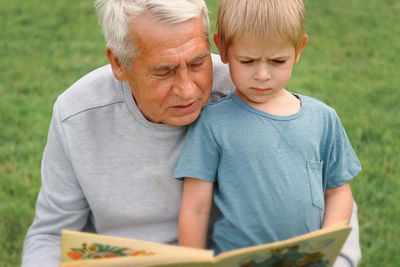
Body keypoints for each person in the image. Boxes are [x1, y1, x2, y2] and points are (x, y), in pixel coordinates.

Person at [21, 0, 360, 267]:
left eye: (198, 63)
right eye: (164, 71)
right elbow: (51, 234)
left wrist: (334, 261)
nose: (187, 91)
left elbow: (322, 190)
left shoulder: (245, 88)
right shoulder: (77, 116)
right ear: (119, 63)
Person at [175, 0, 361, 265]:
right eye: (247, 61)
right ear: (223, 48)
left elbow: (338, 192)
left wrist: (324, 249)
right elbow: (195, 207)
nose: (262, 75)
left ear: (299, 50)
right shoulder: (212, 123)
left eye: (278, 61)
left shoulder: (323, 119)